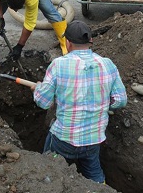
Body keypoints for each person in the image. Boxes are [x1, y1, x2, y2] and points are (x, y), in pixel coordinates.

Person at [32, 20, 127, 183]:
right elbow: (120, 100)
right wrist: (102, 103)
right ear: (91, 41)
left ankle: (48, 181)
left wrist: (38, 90)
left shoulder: (58, 65)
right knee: (94, 172)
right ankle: (100, 186)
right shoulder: (107, 64)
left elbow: (44, 102)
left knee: (50, 167)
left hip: (64, 140)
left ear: (68, 43)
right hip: (93, 140)